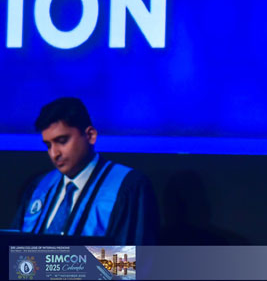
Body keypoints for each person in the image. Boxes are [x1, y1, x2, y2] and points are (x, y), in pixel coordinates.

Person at [11, 97, 159, 244]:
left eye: (62, 141)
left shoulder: (128, 186)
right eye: (48, 145)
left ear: (90, 135)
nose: (54, 153)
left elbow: (136, 256)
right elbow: (12, 250)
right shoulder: (40, 187)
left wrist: (58, 259)